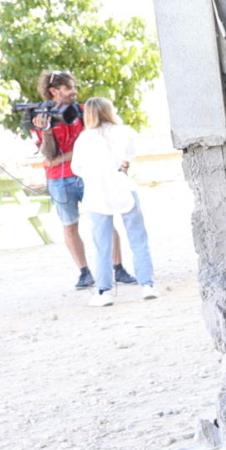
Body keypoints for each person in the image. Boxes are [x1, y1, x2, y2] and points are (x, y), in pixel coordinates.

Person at [29, 71, 129, 291]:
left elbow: (95, 144)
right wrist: (46, 131)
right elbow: (48, 155)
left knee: (104, 218)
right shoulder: (41, 116)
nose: (74, 91)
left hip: (88, 174)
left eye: (73, 86)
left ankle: (118, 267)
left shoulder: (85, 112)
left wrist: (62, 158)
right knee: (69, 225)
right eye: (68, 88)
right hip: (59, 180)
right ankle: (84, 272)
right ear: (54, 91)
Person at [67, 97, 156, 306]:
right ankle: (147, 285)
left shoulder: (84, 139)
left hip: (97, 192)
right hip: (124, 188)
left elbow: (76, 168)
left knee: (101, 244)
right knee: (138, 239)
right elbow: (129, 157)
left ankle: (104, 291)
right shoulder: (124, 132)